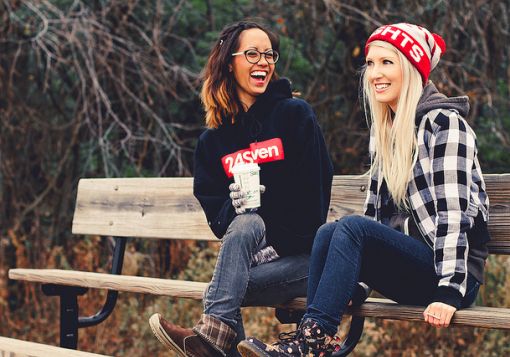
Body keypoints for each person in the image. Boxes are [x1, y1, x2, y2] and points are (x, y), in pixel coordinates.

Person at [238, 22, 491, 357]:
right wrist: (351, 285)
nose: (374, 73)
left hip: (452, 275)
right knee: (330, 231)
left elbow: (453, 215)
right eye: (370, 64)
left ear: (412, 70)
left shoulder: (444, 124)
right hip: (413, 266)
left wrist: (449, 292)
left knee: (351, 228)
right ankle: (314, 339)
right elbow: (376, 219)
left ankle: (312, 341)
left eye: (387, 62)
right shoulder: (386, 130)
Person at [148, 20, 334, 357]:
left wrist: (270, 238)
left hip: (306, 258)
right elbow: (220, 222)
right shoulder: (213, 142)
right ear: (228, 62)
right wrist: (235, 205)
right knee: (244, 224)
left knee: (220, 289)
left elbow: (315, 200)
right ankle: (215, 334)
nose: (263, 62)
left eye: (269, 54)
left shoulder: (295, 115)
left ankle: (211, 335)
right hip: (250, 258)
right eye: (252, 54)